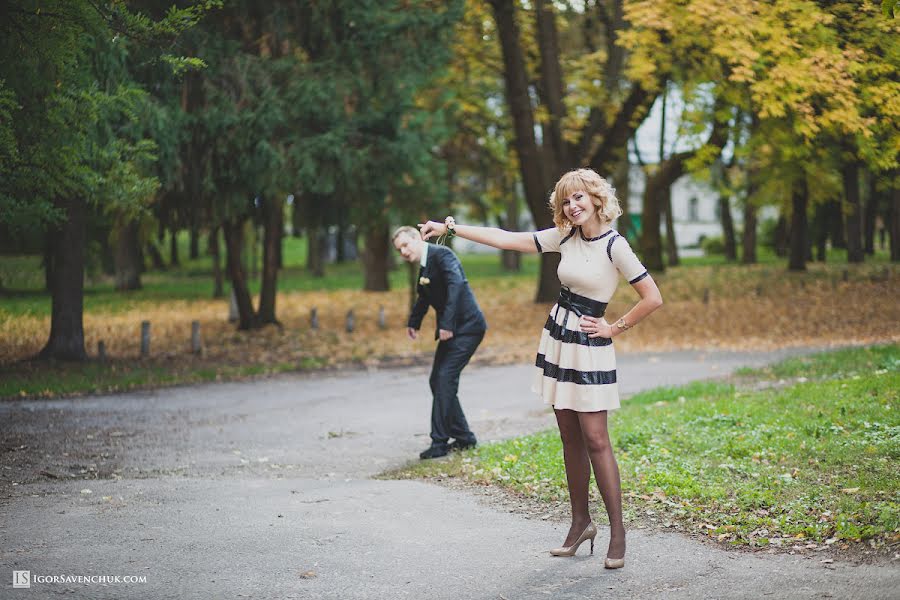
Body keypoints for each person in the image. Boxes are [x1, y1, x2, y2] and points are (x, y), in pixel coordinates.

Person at [418, 168, 663, 570]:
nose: (573, 206)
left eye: (579, 198)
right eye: (567, 201)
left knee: (596, 438)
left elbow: (652, 296)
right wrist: (450, 227)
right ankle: (580, 523)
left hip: (590, 344)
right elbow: (506, 239)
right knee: (569, 435)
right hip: (558, 339)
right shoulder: (564, 237)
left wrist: (613, 327)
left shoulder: (615, 245)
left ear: (597, 199)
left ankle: (617, 532)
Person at [392, 226, 487, 460]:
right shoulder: (426, 264)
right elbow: (424, 296)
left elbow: (456, 287)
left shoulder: (443, 255)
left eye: (405, 245)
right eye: (399, 249)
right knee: (438, 380)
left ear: (417, 238)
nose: (403, 252)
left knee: (444, 379)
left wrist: (446, 324)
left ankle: (439, 442)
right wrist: (414, 322)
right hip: (454, 329)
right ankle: (464, 437)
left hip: (467, 328)